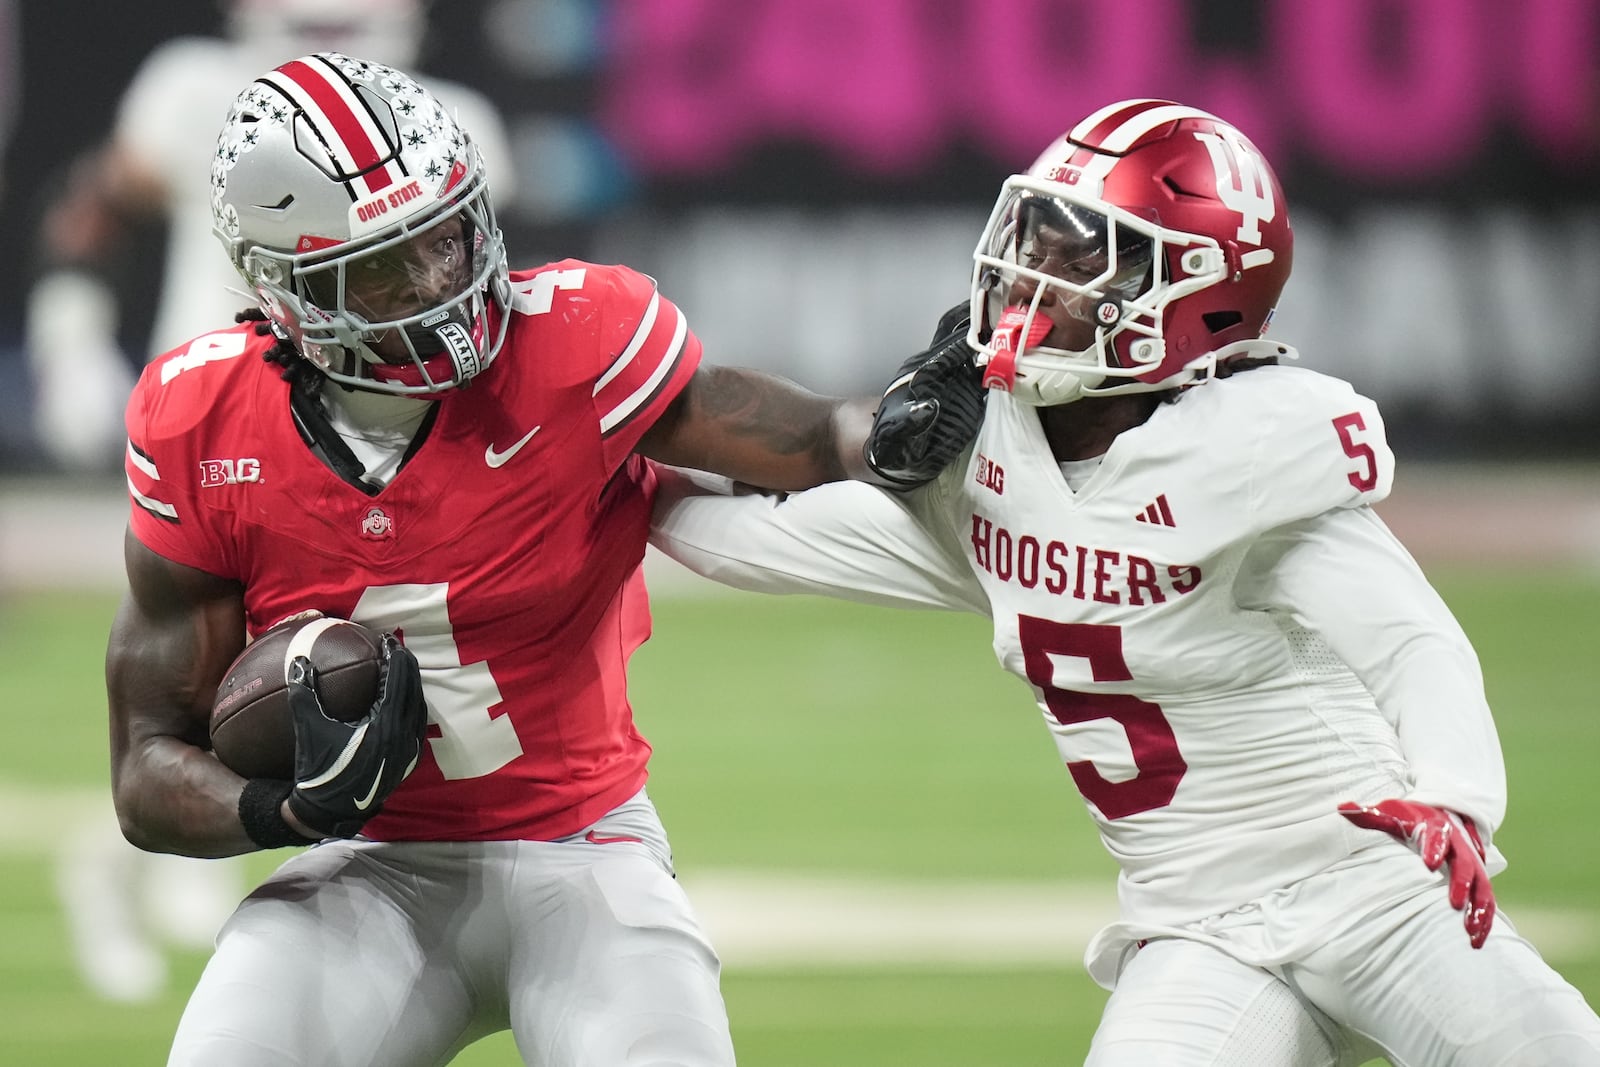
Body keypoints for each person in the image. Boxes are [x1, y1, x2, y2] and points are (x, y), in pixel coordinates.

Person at [650, 99, 1600, 1065]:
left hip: (1372, 888)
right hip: (1198, 927)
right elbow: (768, 540)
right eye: (1036, 241)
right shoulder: (987, 465)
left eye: (1085, 258)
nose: (1034, 277)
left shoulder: (1246, 450)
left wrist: (1455, 794)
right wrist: (617, 488)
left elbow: (1412, 640)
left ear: (1197, 294)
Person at [106, 51, 955, 1065]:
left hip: (586, 848)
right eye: (383, 266)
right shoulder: (200, 417)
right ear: (287, 290)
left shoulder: (575, 340)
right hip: (363, 863)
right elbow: (145, 768)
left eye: (444, 237)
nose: (438, 283)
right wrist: (282, 806)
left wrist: (900, 420)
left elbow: (810, 435)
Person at [38, 1, 517, 1006]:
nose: (333, 37)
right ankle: (155, 854)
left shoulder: (449, 120)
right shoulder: (195, 92)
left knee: (336, 675)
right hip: (217, 433)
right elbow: (96, 203)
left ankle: (157, 860)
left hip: (384, 432)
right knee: (225, 679)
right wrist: (68, 330)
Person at [27, 0, 512, 472]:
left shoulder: (442, 119)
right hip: (211, 419)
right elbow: (91, 213)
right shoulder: (193, 91)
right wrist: (70, 344)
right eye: (313, 32)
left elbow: (486, 271)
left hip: (403, 402)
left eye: (342, 33)